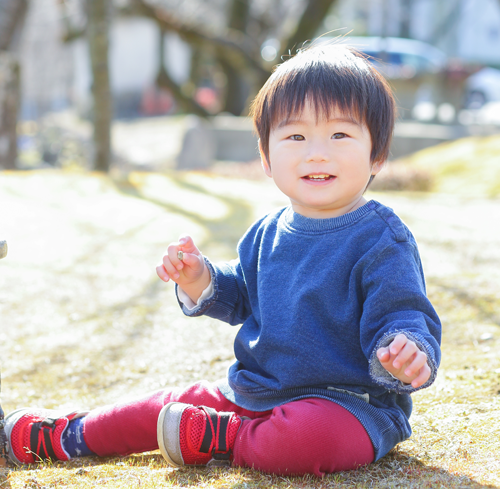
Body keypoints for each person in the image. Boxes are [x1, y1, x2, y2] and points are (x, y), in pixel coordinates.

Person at [5, 44, 441, 477]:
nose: (316, 153)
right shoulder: (266, 232)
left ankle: (224, 438)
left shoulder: (381, 239)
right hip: (255, 391)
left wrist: (406, 351)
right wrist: (201, 279)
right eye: (295, 137)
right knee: (163, 406)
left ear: (378, 154)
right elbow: (241, 292)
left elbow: (404, 311)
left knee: (305, 440)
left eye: (340, 135)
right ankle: (67, 435)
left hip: (347, 407)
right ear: (267, 157)